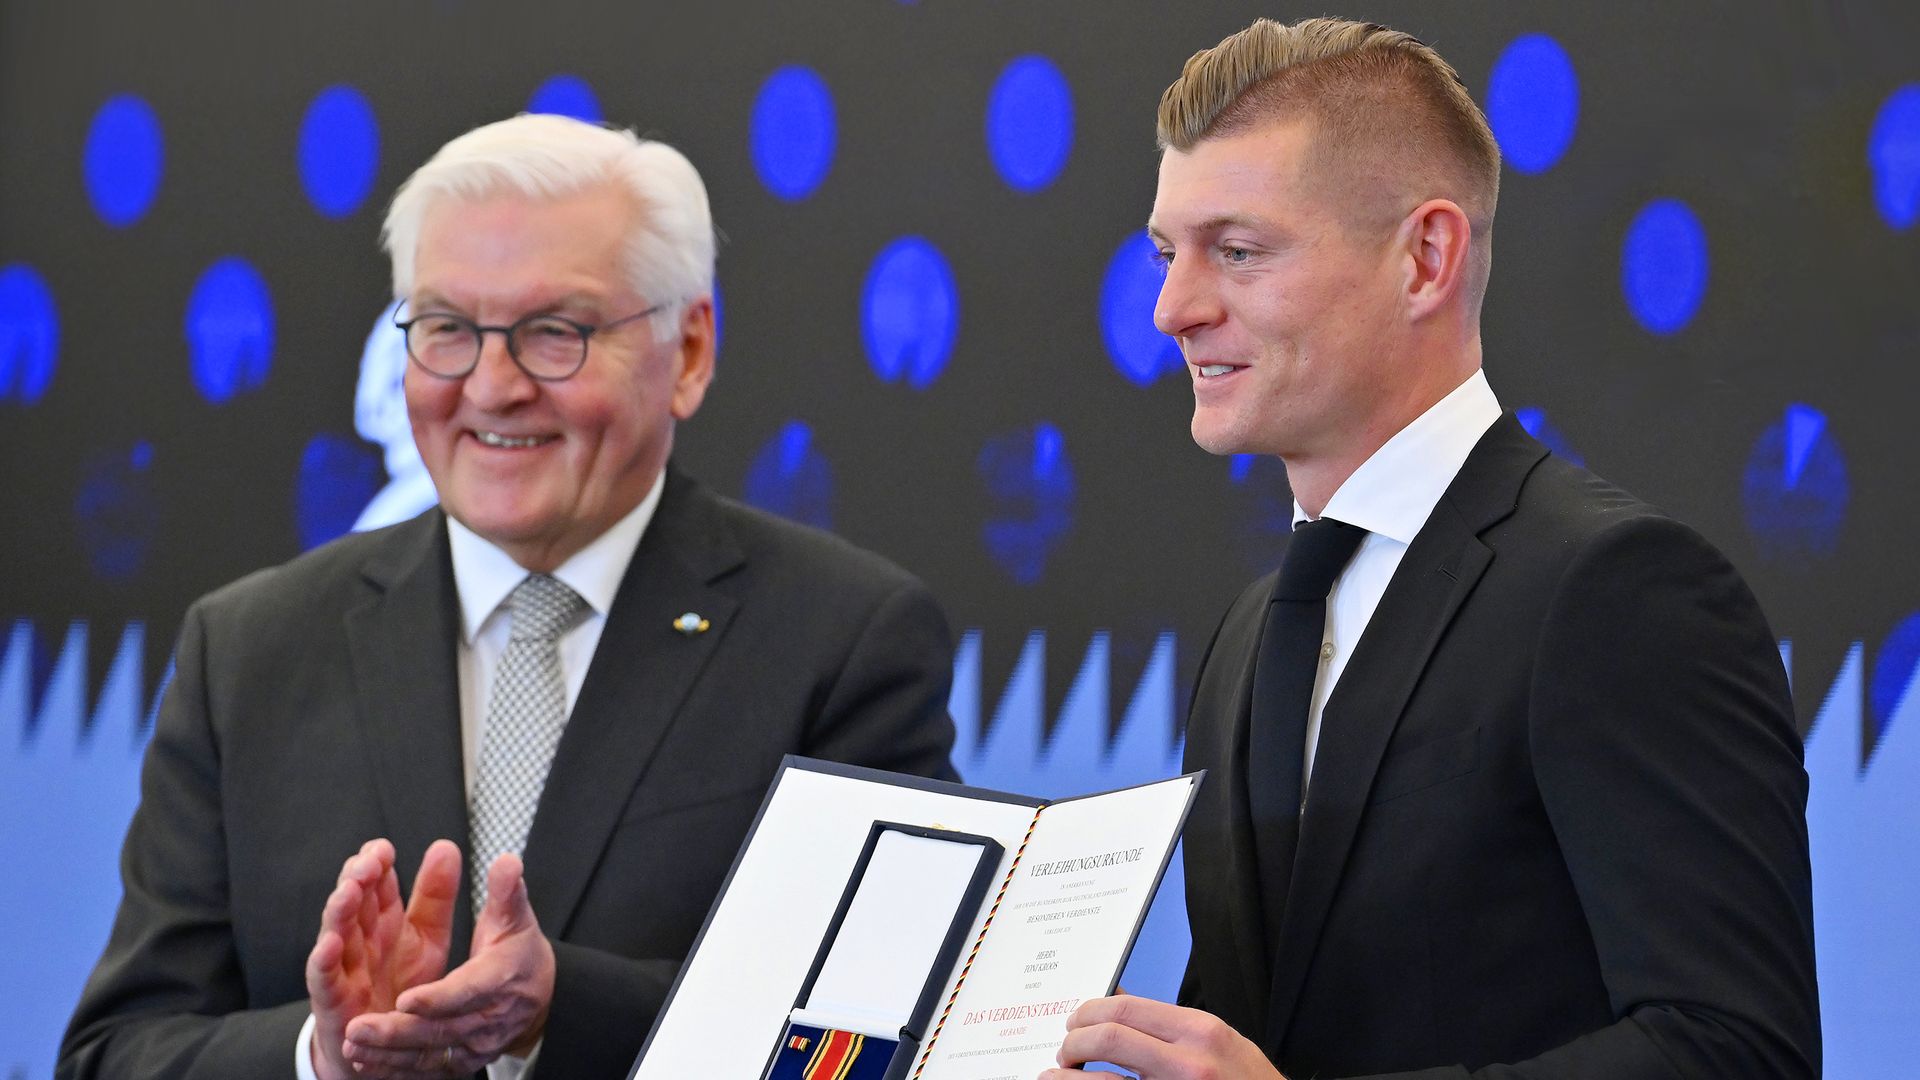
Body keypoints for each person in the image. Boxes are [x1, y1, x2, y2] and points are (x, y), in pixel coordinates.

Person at [59, 113, 959, 1080]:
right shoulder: (248, 650)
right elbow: (117, 1054)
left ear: (690, 350)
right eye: (447, 329)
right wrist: (325, 1056)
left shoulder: (842, 642)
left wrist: (556, 1010)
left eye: (555, 332)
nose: (491, 388)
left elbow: (896, 1038)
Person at [1045, 17, 1819, 1080]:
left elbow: (1739, 1052)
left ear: (1425, 259)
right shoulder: (1249, 637)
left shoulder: (1620, 592)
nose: (1173, 309)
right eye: (1167, 254)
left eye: (1238, 251)